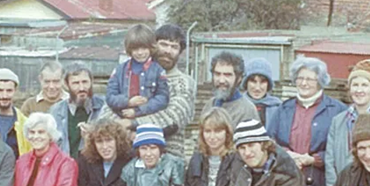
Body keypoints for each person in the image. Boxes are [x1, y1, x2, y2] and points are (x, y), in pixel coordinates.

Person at [266, 56, 347, 186]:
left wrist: (313, 159)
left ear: (320, 81)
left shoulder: (338, 110)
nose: (304, 83)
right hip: (286, 180)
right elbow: (269, 142)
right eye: (300, 78)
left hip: (320, 184)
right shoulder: (283, 109)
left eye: (310, 79)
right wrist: (287, 155)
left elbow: (342, 149)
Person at [114, 23, 195, 158]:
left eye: (174, 47)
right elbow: (109, 111)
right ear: (153, 45)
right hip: (128, 159)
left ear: (180, 52)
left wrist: (132, 124)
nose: (168, 51)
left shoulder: (184, 83)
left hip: (167, 162)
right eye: (163, 44)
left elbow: (172, 118)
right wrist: (125, 132)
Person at [106, 24, 169, 119]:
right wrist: (128, 102)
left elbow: (162, 98)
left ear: (151, 48)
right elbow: (110, 97)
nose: (140, 53)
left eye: (144, 48)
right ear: (129, 50)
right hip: (121, 117)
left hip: (148, 119)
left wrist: (138, 110)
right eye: (135, 49)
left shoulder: (158, 71)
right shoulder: (119, 70)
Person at [50, 62, 105, 158]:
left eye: (85, 82)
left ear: (91, 82)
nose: (81, 88)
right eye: (75, 83)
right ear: (67, 85)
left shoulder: (104, 108)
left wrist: (94, 133)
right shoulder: (56, 111)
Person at [204, 51, 259, 129]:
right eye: (217, 74)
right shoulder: (209, 105)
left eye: (227, 75)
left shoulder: (247, 110)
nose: (221, 80)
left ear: (239, 78)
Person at [0, 68, 30, 157]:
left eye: (9, 91)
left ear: (15, 90)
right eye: (0, 90)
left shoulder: (25, 124)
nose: (4, 95)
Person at [242, 58, 282, 126]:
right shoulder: (238, 105)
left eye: (262, 82)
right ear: (246, 83)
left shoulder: (278, 108)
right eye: (253, 81)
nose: (257, 88)